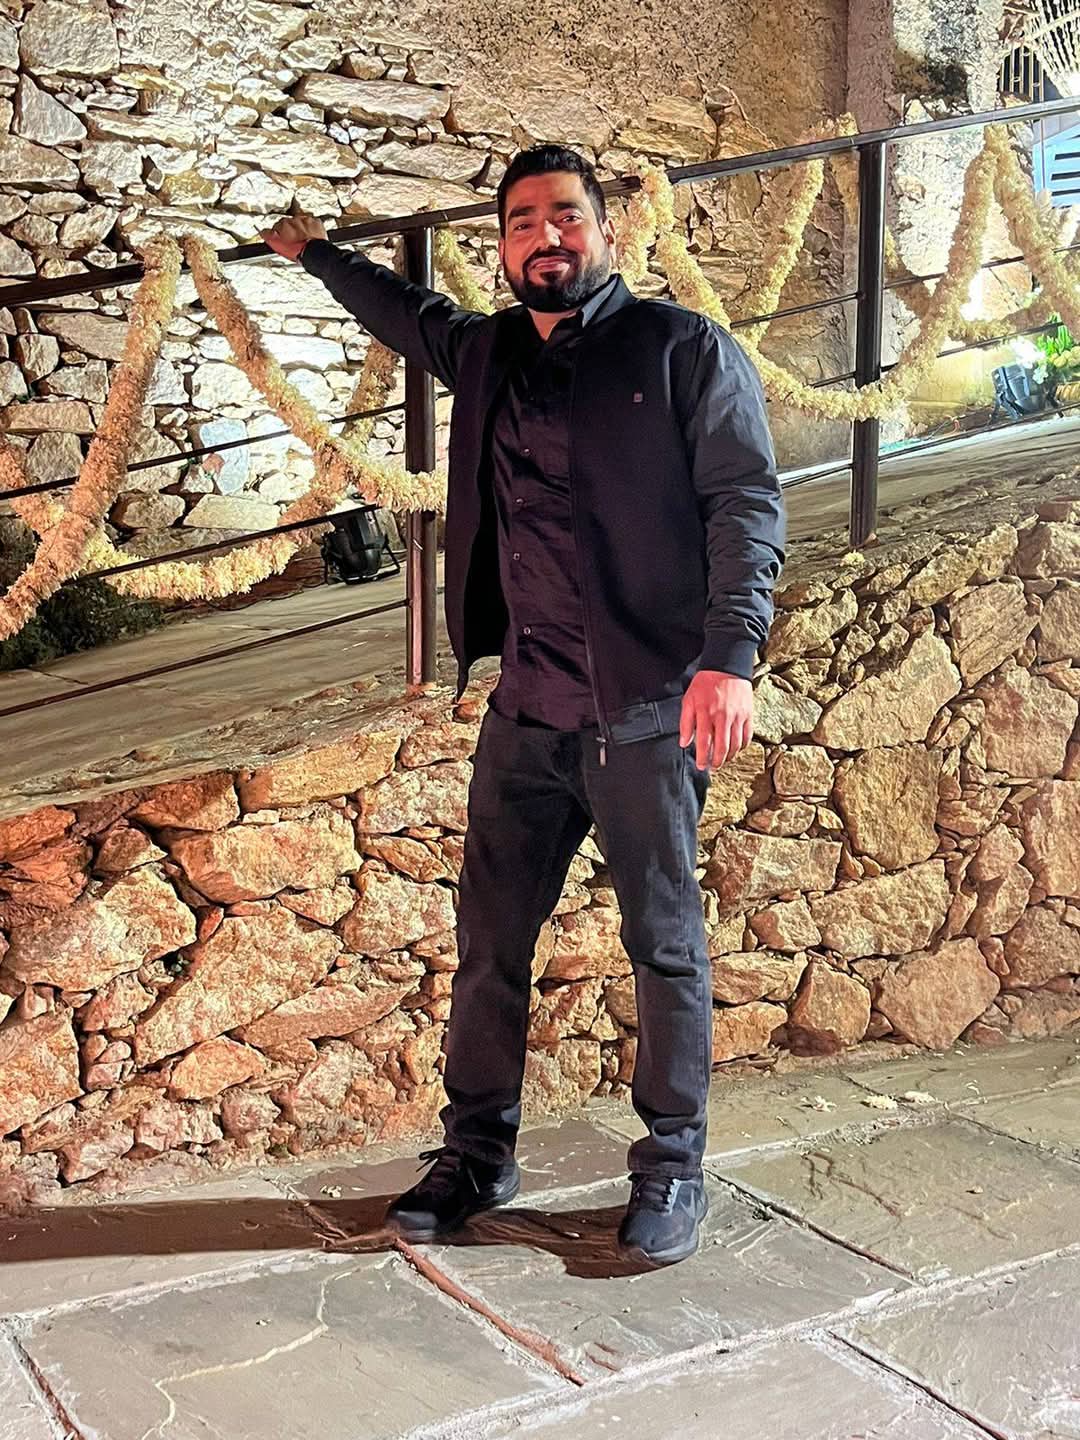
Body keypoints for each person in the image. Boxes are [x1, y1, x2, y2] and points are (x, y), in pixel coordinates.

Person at [263, 144, 784, 1267]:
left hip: (645, 713)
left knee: (665, 947)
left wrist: (730, 658)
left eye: (565, 215)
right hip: (527, 713)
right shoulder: (491, 350)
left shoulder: (682, 349)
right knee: (490, 946)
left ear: (604, 229)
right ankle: (476, 1153)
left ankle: (673, 1165)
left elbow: (745, 503)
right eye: (521, 222)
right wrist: (316, 256)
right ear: (502, 246)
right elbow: (407, 315)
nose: (545, 237)